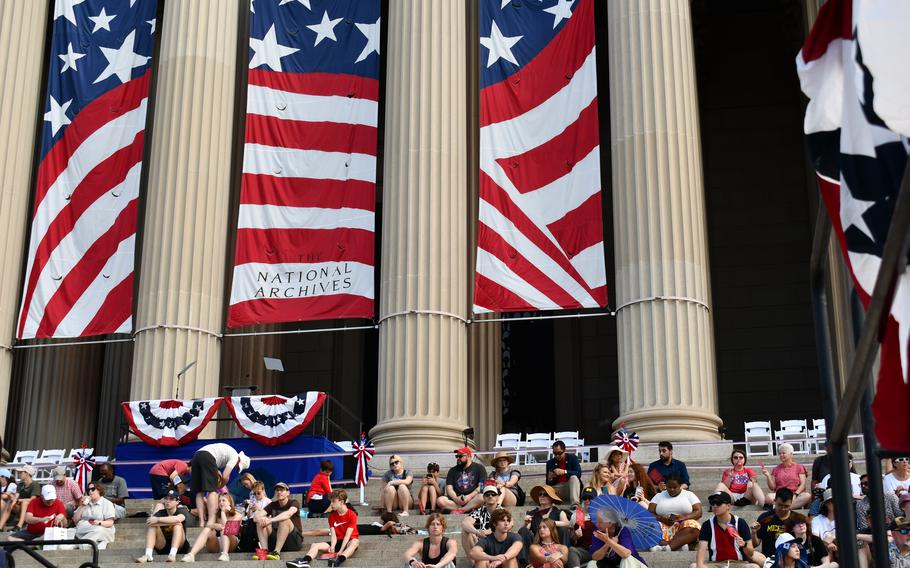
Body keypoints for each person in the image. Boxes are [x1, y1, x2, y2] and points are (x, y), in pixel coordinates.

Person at [286, 489, 359, 568]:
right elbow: (333, 535)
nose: (331, 504)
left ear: (341, 502)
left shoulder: (352, 515)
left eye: (333, 501)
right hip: (337, 541)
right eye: (331, 501)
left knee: (355, 542)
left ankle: (338, 561)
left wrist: (341, 551)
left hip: (348, 542)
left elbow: (348, 535)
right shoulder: (331, 516)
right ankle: (304, 560)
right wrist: (333, 547)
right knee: (315, 545)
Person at [690, 491, 760, 568]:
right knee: (694, 566)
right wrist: (700, 566)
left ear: (728, 506)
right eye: (712, 503)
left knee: (754, 567)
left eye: (719, 503)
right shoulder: (707, 525)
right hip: (715, 564)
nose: (715, 506)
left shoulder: (740, 523)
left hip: (738, 564)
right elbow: (701, 550)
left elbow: (750, 553)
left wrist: (744, 545)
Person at [190, 443, 250, 529]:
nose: (236, 467)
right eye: (238, 467)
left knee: (200, 492)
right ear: (239, 462)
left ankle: (201, 522)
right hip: (208, 456)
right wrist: (220, 486)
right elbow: (225, 476)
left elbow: (216, 469)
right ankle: (211, 520)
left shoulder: (228, 452)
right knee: (212, 491)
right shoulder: (235, 457)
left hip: (197, 456)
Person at [181, 493, 242, 562]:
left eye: (223, 500)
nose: (221, 503)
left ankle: (225, 554)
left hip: (232, 542)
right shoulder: (217, 514)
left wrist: (223, 512)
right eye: (219, 501)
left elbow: (228, 529)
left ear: (230, 502)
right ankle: (191, 555)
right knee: (207, 529)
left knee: (224, 529)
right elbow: (208, 526)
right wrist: (214, 525)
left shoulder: (238, 515)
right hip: (218, 543)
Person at [648, 474, 702, 552]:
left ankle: (667, 547)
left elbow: (698, 512)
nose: (672, 489)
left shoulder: (689, 495)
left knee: (694, 526)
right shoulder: (659, 496)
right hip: (663, 525)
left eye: (675, 487)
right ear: (665, 485)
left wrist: (684, 518)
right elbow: (649, 513)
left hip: (684, 526)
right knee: (649, 525)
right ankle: (677, 545)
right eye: (669, 487)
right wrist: (661, 519)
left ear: (680, 486)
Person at [134, 489, 190, 563]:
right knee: (152, 526)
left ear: (177, 502)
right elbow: (150, 521)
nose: (168, 501)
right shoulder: (160, 512)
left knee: (178, 525)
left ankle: (172, 555)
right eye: (166, 498)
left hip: (180, 547)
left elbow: (178, 519)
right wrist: (167, 521)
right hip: (163, 545)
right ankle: (148, 555)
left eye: (171, 499)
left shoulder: (182, 510)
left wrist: (158, 520)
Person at [253, 481, 303, 561]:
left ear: (288, 493)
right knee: (260, 521)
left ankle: (276, 553)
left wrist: (270, 520)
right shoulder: (273, 504)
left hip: (293, 541)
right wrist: (262, 519)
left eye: (282, 490)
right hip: (276, 539)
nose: (279, 492)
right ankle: (264, 551)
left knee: (285, 520)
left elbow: (288, 514)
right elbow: (256, 517)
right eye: (277, 490)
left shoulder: (294, 502)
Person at [436, 447, 487, 513]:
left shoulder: (480, 468)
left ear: (469, 456)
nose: (458, 458)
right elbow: (449, 489)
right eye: (457, 456)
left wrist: (469, 497)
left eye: (460, 456)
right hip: (456, 501)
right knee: (440, 500)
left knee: (482, 497)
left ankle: (462, 510)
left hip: (473, 498)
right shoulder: (452, 470)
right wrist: (456, 498)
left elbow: (481, 486)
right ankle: (466, 509)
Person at [761, 444, 811, 508]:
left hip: (795, 494)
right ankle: (789, 507)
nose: (781, 455)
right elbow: (772, 487)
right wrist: (768, 476)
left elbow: (802, 484)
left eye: (783, 453)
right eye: (780, 453)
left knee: (807, 496)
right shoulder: (776, 469)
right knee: (768, 497)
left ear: (791, 454)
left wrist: (795, 495)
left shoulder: (799, 467)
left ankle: (779, 508)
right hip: (780, 495)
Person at [461, 482, 503, 555]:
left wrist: (487, 532)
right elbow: (465, 523)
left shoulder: (501, 511)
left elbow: (504, 526)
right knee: (466, 531)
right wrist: (477, 532)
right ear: (483, 497)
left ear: (497, 497)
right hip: (482, 544)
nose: (490, 496)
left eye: (493, 494)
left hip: (497, 543)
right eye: (487, 494)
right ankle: (474, 564)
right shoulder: (480, 510)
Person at [753, 487, 795, 559]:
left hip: (790, 559)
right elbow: (755, 544)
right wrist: (753, 532)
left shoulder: (796, 519)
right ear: (774, 501)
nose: (783, 509)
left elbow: (802, 543)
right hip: (769, 559)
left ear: (791, 503)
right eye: (780, 505)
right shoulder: (765, 518)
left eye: (786, 506)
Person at [73, 482, 117, 548]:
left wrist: (98, 523)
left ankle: (83, 544)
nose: (90, 491)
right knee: (97, 539)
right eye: (88, 490)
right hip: (84, 530)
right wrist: (82, 506)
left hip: (101, 529)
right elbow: (75, 520)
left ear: (99, 490)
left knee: (98, 530)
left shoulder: (107, 503)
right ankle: (88, 544)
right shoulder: (85, 503)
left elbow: (110, 523)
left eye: (93, 489)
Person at [568, 486, 597, 568]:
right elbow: (572, 539)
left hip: (600, 549)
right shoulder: (577, 515)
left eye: (590, 498)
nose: (587, 501)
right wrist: (575, 536)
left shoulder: (601, 513)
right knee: (572, 550)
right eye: (585, 498)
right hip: (585, 550)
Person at [547, 440, 582, 506]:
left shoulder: (572, 458)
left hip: (570, 487)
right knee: (545, 489)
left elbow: (578, 473)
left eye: (559, 453)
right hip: (558, 488)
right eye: (555, 453)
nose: (557, 456)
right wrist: (550, 478)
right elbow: (549, 483)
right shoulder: (550, 463)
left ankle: (575, 504)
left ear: (564, 450)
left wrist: (564, 472)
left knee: (574, 477)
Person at [4, 465, 38, 532]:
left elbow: (33, 499)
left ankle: (19, 525)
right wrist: (13, 499)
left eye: (21, 472)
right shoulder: (20, 484)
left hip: (32, 509)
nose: (19, 474)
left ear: (27, 474)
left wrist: (21, 500)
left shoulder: (35, 484)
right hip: (21, 508)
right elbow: (16, 496)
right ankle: (1, 526)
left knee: (24, 502)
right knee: (10, 501)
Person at [810, 489, 836, 559]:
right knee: (827, 548)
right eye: (833, 501)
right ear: (826, 504)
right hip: (825, 550)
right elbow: (815, 539)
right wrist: (828, 543)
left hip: (841, 549)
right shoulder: (816, 520)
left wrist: (832, 539)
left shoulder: (845, 518)